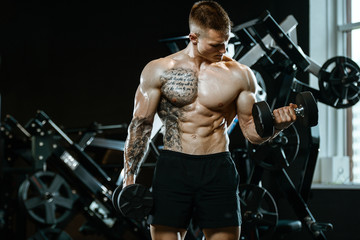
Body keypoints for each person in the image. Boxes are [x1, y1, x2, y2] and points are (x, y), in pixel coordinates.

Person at [122, 1, 297, 239]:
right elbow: (141, 127)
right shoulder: (158, 70)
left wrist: (278, 125)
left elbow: (252, 133)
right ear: (194, 37)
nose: (223, 50)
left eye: (226, 43)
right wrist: (129, 178)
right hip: (174, 168)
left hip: (218, 169)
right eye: (216, 44)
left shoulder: (240, 75)